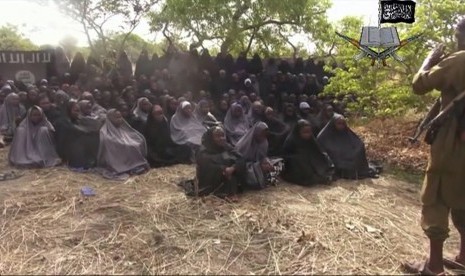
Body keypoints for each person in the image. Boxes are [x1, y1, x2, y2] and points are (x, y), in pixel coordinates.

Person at [402, 18, 465, 275]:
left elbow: (419, 84)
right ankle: (463, 256)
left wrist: (429, 60)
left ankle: (434, 266)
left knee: (436, 197)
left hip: (452, 144)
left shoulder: (459, 60)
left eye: (458, 35)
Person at [316, 114, 378, 179]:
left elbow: (358, 143)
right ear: (333, 124)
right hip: (333, 161)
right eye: (339, 123)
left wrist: (356, 151)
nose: (341, 126)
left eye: (343, 124)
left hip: (347, 158)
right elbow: (323, 151)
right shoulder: (323, 136)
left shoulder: (346, 132)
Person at [195, 126, 245, 202]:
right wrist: (224, 169)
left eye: (223, 135)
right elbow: (207, 166)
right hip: (210, 180)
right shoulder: (203, 150)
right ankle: (226, 193)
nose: (221, 138)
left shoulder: (226, 146)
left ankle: (231, 192)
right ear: (211, 137)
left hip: (229, 174)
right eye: (217, 136)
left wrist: (233, 167)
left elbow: (241, 158)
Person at [97, 109, 149, 180]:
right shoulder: (104, 131)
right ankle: (125, 167)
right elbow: (107, 140)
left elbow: (130, 134)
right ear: (110, 118)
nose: (120, 119)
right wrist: (123, 143)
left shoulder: (122, 127)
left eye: (120, 117)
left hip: (126, 142)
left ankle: (135, 165)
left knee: (136, 143)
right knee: (128, 146)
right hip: (116, 151)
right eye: (116, 117)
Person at [281, 119, 334, 186]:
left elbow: (318, 150)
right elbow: (285, 156)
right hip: (296, 166)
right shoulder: (291, 140)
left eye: (309, 132)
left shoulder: (311, 139)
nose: (308, 134)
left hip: (310, 161)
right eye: (305, 132)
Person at [234, 121, 284, 189]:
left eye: (265, 135)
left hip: (259, 164)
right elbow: (240, 162)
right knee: (257, 170)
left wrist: (266, 161)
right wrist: (259, 165)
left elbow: (263, 156)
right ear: (256, 133)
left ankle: (269, 178)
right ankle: (263, 180)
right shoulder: (244, 144)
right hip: (248, 168)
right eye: (261, 134)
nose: (263, 137)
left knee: (280, 162)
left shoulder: (264, 142)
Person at [54, 100, 100, 170]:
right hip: (67, 150)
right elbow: (62, 141)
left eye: (79, 111)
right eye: (75, 111)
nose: (78, 113)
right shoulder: (62, 122)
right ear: (68, 111)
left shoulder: (76, 119)